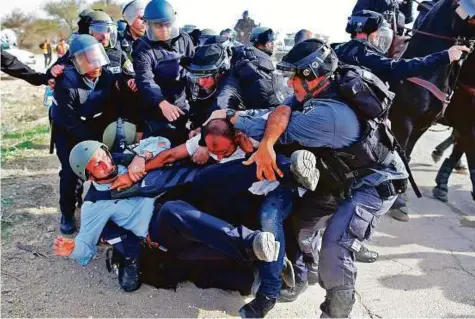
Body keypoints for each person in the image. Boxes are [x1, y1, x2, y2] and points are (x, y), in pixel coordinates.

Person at [210, 39, 410, 317]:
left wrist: (231, 117)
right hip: (342, 176)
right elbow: (280, 111)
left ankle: (334, 312)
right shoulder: (321, 90)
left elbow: (274, 124)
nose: (290, 83)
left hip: (372, 185)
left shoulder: (329, 116)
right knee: (304, 225)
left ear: (312, 76)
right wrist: (266, 139)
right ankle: (306, 275)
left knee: (336, 249)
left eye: (294, 77)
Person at [55, 140, 281, 291]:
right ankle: (249, 242)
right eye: (97, 164)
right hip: (158, 226)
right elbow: (86, 246)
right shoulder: (94, 204)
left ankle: (286, 167)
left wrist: (140, 157)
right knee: (172, 211)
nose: (106, 162)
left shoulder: (123, 158)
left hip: (176, 193)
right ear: (89, 176)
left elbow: (162, 140)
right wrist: (72, 249)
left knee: (207, 177)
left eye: (103, 155)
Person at [334, 10, 469, 222]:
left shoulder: (336, 49)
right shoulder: (366, 54)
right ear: (373, 34)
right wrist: (445, 56)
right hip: (353, 127)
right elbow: (398, 66)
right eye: (378, 33)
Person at [50, 34, 119, 234]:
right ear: (76, 61)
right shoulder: (66, 82)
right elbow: (70, 121)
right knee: (71, 172)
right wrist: (95, 145)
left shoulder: (107, 77)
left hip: (93, 123)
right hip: (67, 128)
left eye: (95, 57)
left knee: (105, 166)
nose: (94, 65)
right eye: (86, 60)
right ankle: (67, 211)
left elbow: (112, 109)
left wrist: (103, 141)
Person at [133, 0, 194, 144]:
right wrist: (161, 102)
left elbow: (193, 70)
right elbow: (145, 80)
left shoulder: (184, 39)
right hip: (156, 110)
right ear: (148, 24)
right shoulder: (142, 47)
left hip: (182, 104)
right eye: (158, 25)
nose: (164, 29)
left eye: (167, 24)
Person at [211, 27, 287, 113]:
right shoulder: (258, 62)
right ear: (260, 42)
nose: (273, 44)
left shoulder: (242, 53)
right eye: (270, 42)